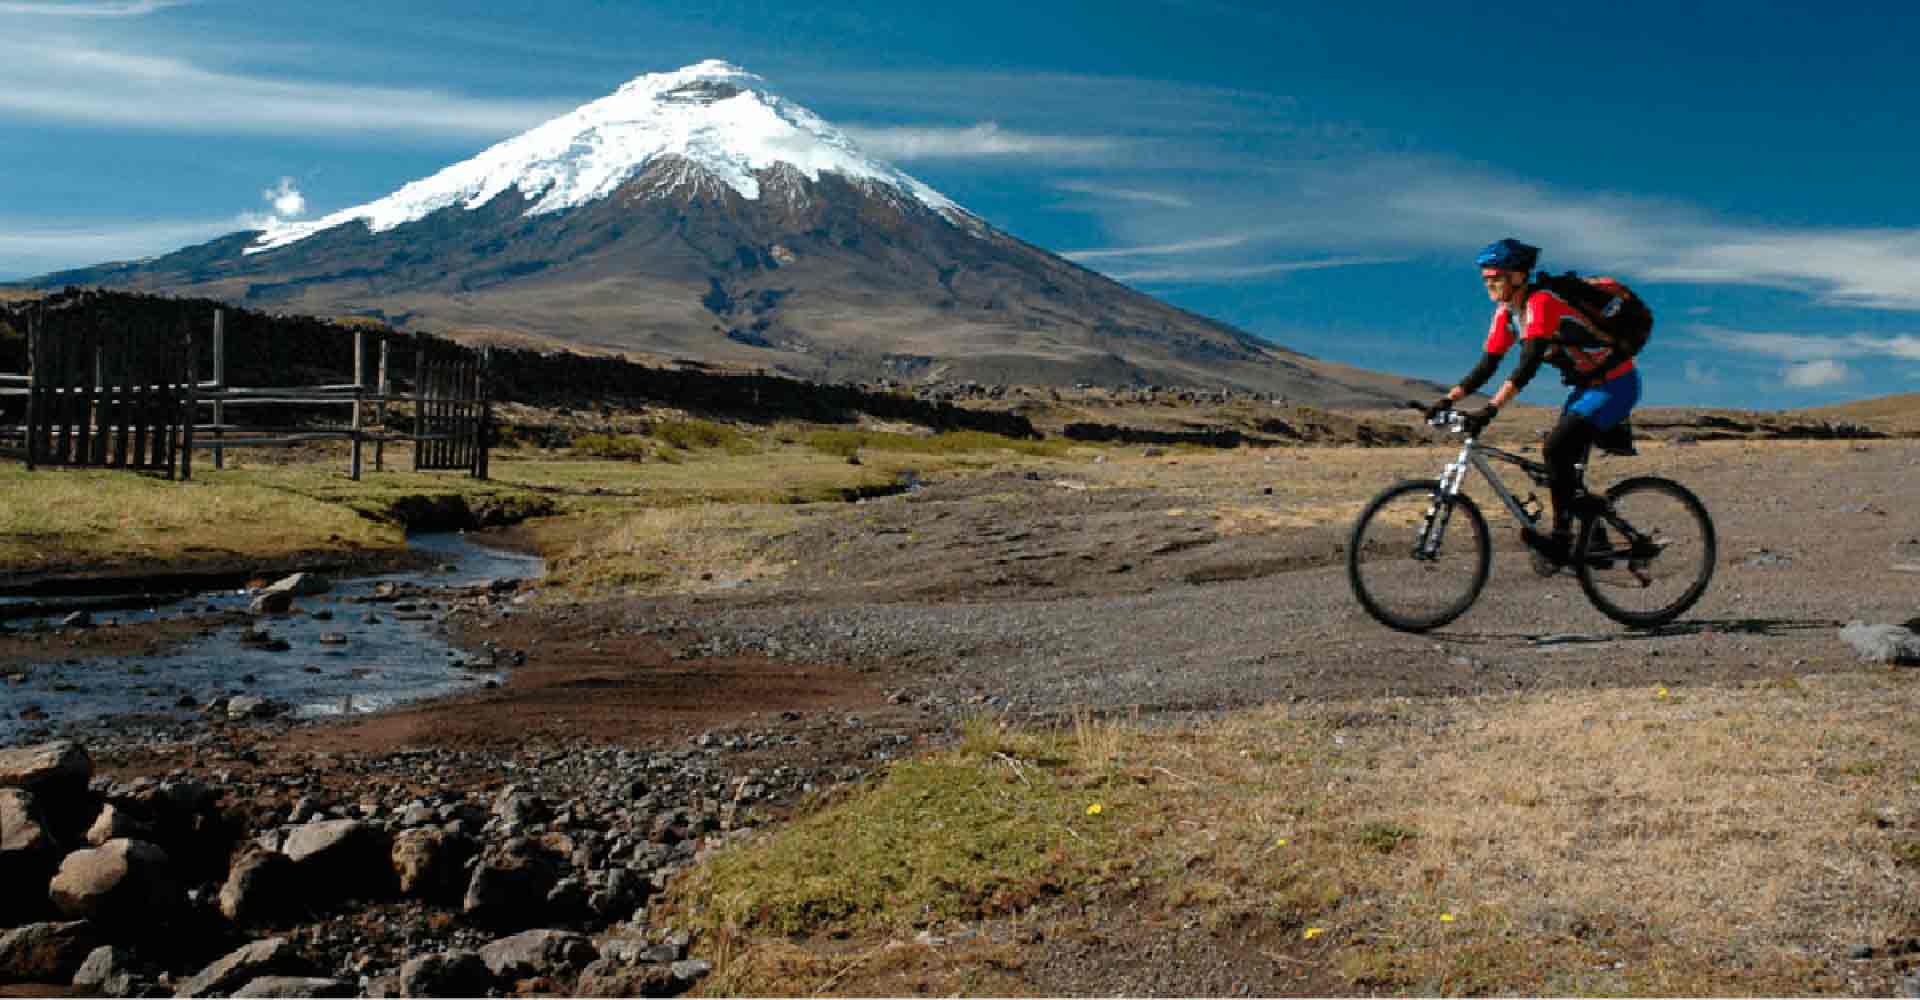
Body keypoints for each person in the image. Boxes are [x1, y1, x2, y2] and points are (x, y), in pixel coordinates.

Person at [1426, 238, 1642, 564]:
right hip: (1587, 389)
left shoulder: (1542, 303)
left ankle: (1562, 540)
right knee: (1560, 472)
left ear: (1517, 276)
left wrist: (1491, 409)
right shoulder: (1507, 314)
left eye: (1495, 277)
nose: (1488, 284)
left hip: (1617, 385)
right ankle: (1595, 543)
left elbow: (1527, 365)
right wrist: (1447, 399)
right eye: (1485, 278)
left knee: (1556, 449)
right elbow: (1487, 366)